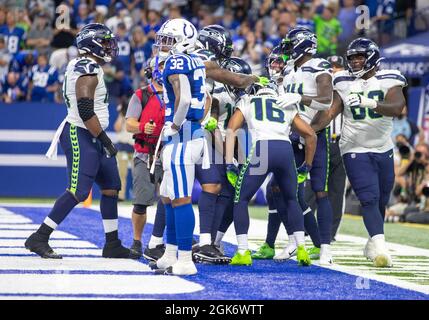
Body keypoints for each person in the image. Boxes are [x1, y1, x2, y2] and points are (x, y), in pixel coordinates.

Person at [24, 23, 138, 260]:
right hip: (81, 132)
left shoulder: (88, 65)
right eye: (105, 42)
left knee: (111, 187)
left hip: (92, 133)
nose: (109, 46)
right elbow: (85, 110)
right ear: (92, 44)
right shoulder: (86, 66)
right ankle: (40, 237)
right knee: (78, 190)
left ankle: (112, 244)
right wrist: (105, 140)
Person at [311, 38, 407, 267]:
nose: (354, 61)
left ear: (372, 57)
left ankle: (372, 242)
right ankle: (381, 247)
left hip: (383, 147)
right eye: (352, 57)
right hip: (354, 146)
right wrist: (308, 131)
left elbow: (397, 108)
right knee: (368, 197)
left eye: (359, 57)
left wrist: (369, 103)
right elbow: (330, 113)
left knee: (382, 199)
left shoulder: (389, 78)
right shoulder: (343, 81)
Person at [255, 27, 335, 265]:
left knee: (320, 190)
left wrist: (301, 98)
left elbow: (326, 100)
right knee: (279, 189)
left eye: (291, 45)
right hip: (290, 136)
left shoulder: (319, 67)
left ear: (303, 45)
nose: (287, 50)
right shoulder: (289, 73)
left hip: (315, 135)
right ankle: (293, 239)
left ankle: (325, 247)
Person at [225, 81, 316, 266]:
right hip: (285, 149)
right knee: (292, 199)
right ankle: (301, 249)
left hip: (262, 148)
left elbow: (231, 129)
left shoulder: (248, 100)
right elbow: (311, 135)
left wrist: (229, 162)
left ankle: (243, 251)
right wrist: (307, 165)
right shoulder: (285, 102)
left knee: (240, 199)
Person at [150, 18, 207, 276]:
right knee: (168, 196)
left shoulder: (178, 60)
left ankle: (185, 259)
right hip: (188, 134)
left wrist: (174, 124)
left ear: (184, 40)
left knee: (181, 198)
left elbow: (183, 99)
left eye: (170, 39)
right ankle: (170, 253)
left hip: (183, 135)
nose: (164, 43)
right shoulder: (195, 60)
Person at [125, 56, 166, 260]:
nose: (165, 69)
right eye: (161, 65)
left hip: (169, 152)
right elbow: (129, 124)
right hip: (146, 153)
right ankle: (137, 241)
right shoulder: (141, 95)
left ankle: (162, 241)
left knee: (172, 199)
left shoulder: (176, 93)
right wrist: (143, 127)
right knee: (141, 202)